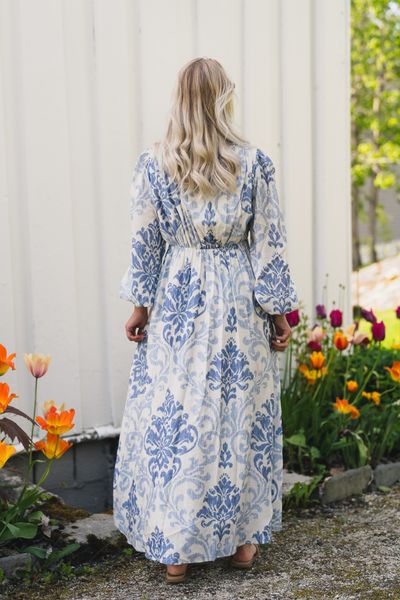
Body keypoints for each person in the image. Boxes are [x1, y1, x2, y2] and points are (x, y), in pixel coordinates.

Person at [113, 57, 300, 584]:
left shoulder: (154, 164)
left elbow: (144, 243)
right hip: (237, 297)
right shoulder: (254, 163)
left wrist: (140, 306)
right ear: (224, 99)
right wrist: (279, 313)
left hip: (178, 298)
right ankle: (243, 543)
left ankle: (177, 552)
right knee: (240, 412)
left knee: (177, 411)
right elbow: (269, 245)